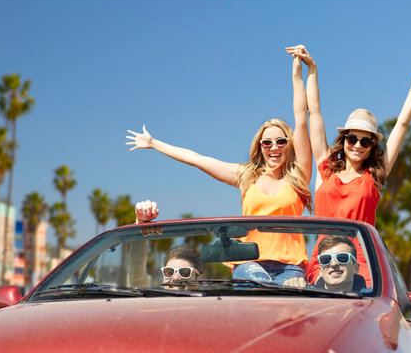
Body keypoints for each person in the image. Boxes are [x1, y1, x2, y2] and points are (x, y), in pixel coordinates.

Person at [125, 54, 314, 284]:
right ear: (260, 147)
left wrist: (298, 74)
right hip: (249, 264)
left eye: (281, 141)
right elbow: (196, 159)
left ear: (289, 144)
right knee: (261, 286)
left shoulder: (298, 176)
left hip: (290, 267)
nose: (274, 147)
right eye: (267, 142)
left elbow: (302, 119)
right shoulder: (247, 176)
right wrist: (154, 143)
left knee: (289, 302)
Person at [286, 45, 411, 285]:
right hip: (323, 262)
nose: (358, 145)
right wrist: (312, 70)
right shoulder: (326, 168)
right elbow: (314, 113)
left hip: (363, 267)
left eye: (365, 141)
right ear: (344, 140)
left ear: (372, 146)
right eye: (352, 138)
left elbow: (402, 126)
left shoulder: (374, 176)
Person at [132, 200, 204, 290]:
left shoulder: (215, 303)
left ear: (199, 280)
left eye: (185, 272)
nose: (176, 278)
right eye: (169, 272)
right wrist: (141, 223)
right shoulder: (151, 303)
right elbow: (137, 278)